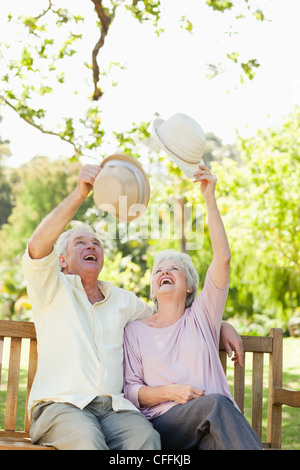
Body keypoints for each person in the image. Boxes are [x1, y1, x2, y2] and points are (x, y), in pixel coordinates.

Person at [22, 163, 243, 450]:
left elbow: (168, 315)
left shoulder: (124, 301)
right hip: (62, 404)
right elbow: (38, 246)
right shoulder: (50, 288)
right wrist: (79, 194)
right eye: (80, 243)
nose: (91, 247)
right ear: (61, 260)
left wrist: (219, 324)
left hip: (113, 410)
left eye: (96, 243)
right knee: (87, 440)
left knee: (146, 439)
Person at [123, 163, 262, 450]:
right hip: (166, 426)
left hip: (213, 427)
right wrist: (171, 392)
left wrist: (209, 199)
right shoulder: (135, 331)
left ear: (190, 286)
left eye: (175, 268)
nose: (165, 272)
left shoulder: (201, 317)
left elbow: (222, 258)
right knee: (216, 405)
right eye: (159, 270)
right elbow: (131, 390)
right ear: (153, 288)